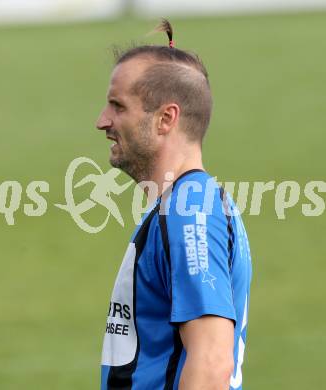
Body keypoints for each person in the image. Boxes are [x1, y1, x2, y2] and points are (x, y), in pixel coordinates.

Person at [96, 19, 252, 390]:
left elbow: (212, 362)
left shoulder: (190, 213)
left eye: (118, 107)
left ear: (166, 118)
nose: (102, 121)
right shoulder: (182, 207)